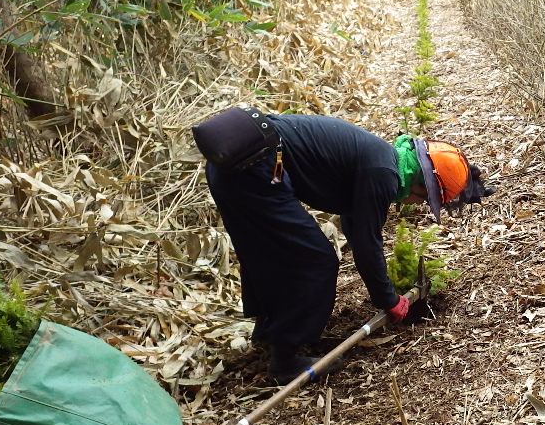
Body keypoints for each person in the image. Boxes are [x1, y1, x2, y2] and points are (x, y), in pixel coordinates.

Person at [197, 109, 491, 381]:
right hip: (257, 169)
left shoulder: (381, 157)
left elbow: (354, 225)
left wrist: (383, 292)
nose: (419, 205)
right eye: (426, 199)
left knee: (266, 250)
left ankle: (269, 332)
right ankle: (285, 360)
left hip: (231, 168)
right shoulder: (383, 174)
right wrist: (389, 300)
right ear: (421, 184)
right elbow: (366, 244)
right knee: (316, 261)